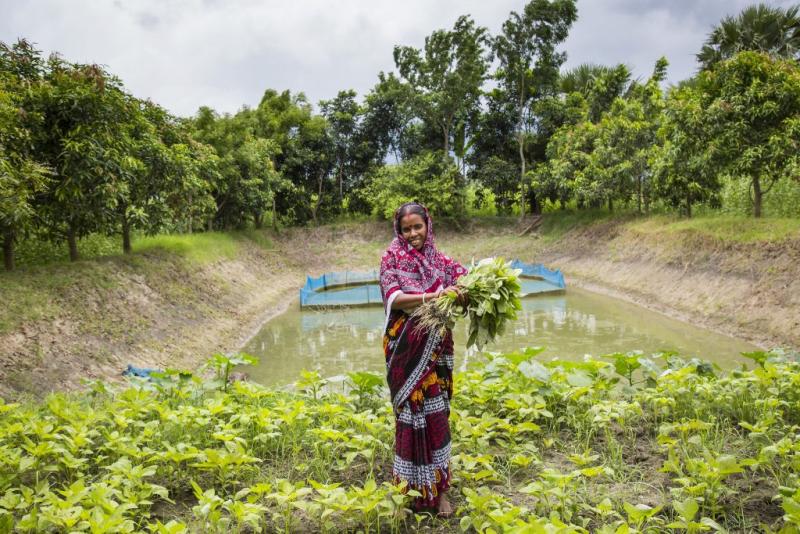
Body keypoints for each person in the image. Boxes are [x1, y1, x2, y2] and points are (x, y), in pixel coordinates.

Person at [379, 201, 467, 517]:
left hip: (436, 346)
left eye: (418, 226)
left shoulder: (440, 261)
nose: (413, 233)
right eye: (406, 229)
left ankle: (439, 491)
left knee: (436, 414)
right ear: (398, 231)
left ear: (428, 225)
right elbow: (396, 299)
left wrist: (462, 291)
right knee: (410, 418)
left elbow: (466, 281)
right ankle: (406, 494)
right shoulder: (391, 259)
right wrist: (435, 296)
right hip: (405, 346)